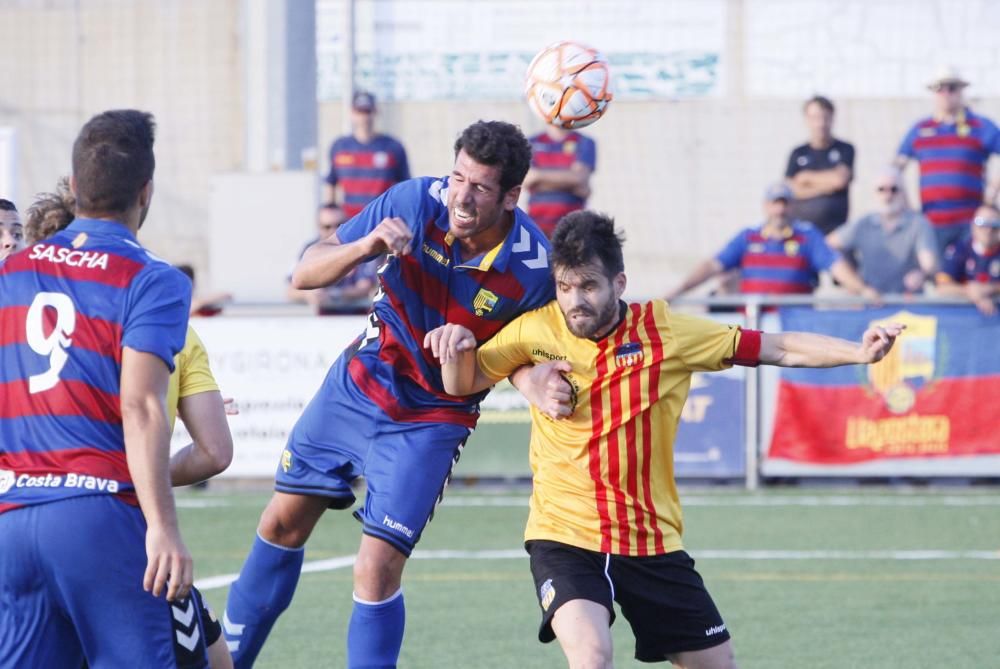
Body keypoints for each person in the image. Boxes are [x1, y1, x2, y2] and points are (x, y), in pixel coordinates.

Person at [426, 210, 903, 668]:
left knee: (716, 664)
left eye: (588, 286)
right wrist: (460, 349)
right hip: (563, 533)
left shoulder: (666, 332)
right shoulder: (535, 328)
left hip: (648, 538)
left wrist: (858, 353)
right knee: (591, 658)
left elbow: (772, 346)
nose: (575, 301)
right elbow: (463, 382)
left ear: (619, 284)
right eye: (565, 287)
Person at [223, 120, 556, 668]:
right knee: (280, 522)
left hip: (435, 416)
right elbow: (306, 273)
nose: (462, 197)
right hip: (361, 381)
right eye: (457, 178)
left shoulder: (533, 268)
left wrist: (525, 376)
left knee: (375, 568)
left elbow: (519, 352)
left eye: (479, 187)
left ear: (512, 196)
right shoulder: (412, 200)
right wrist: (366, 244)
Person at [0, 110, 208, 666]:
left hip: (15, 518)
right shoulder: (152, 279)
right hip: (98, 516)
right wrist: (163, 528)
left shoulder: (12, 271)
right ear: (147, 192)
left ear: (73, 187)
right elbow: (140, 405)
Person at [23, 177, 237, 669]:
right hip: (126, 534)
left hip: (30, 531)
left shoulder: (24, 323)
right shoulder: (163, 319)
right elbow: (213, 451)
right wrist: (140, 476)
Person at [665, 183, 879, 302]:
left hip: (793, 327)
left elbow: (835, 264)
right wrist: (679, 290)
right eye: (775, 204)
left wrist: (862, 290)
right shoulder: (749, 236)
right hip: (754, 327)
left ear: (792, 206)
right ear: (766, 206)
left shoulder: (807, 236)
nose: (780, 210)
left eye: (785, 204)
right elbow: (713, 265)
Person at [895, 66, 1000, 253]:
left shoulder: (980, 126)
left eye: (951, 88)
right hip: (932, 222)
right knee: (938, 276)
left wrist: (993, 190)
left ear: (961, 91)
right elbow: (896, 168)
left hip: (970, 222)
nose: (945, 93)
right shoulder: (920, 129)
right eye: (940, 89)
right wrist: (907, 206)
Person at [826, 167, 940, 294]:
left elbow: (929, 263)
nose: (888, 195)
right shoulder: (863, 224)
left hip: (908, 304)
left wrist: (921, 274)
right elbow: (828, 246)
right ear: (874, 193)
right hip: (872, 304)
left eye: (894, 189)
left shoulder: (918, 224)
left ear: (903, 193)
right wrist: (852, 280)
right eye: (882, 189)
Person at [322, 91, 410, 219]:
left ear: (375, 112)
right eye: (359, 111)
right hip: (348, 222)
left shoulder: (393, 147)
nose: (364, 117)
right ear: (352, 113)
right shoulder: (339, 147)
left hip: (381, 220)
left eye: (368, 111)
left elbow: (404, 187)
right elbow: (331, 183)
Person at [286, 203, 379, 314]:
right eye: (327, 226)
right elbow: (291, 290)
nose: (333, 230)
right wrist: (308, 294)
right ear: (318, 227)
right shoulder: (310, 251)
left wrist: (334, 294)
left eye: (339, 225)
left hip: (357, 318)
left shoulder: (361, 245)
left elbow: (365, 287)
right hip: (325, 322)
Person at [785, 95, 855, 235]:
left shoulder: (845, 149)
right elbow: (790, 191)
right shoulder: (798, 153)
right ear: (807, 120)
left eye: (825, 117)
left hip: (835, 233)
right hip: (802, 234)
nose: (820, 124)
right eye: (815, 118)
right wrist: (826, 188)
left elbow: (839, 180)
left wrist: (806, 178)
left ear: (832, 118)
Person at [523, 123, 596, 238]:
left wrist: (538, 177)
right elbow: (528, 179)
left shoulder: (584, 142)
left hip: (574, 226)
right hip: (538, 225)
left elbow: (578, 179)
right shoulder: (531, 142)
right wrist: (569, 181)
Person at [936, 203, 1000, 315]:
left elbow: (984, 289)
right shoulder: (960, 250)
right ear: (973, 226)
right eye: (982, 223)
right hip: (964, 321)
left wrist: (989, 289)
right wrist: (970, 292)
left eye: (994, 224)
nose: (988, 230)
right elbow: (942, 287)